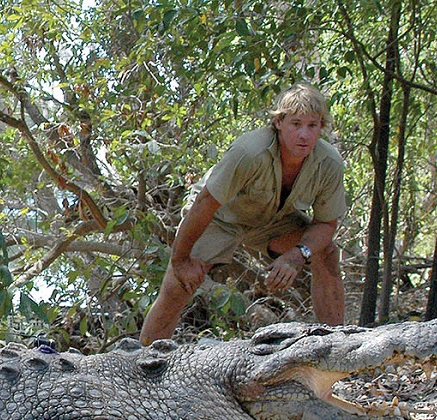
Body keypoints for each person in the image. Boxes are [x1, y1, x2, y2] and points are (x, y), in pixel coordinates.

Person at [140, 83, 347, 344]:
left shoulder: (328, 163)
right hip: (220, 217)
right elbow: (204, 204)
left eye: (312, 125)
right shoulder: (249, 152)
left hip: (272, 222)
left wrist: (298, 254)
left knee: (326, 251)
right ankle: (146, 363)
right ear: (279, 122)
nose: (304, 134)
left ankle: (337, 346)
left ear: (321, 127)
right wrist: (180, 261)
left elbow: (327, 224)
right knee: (178, 284)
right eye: (296, 124)